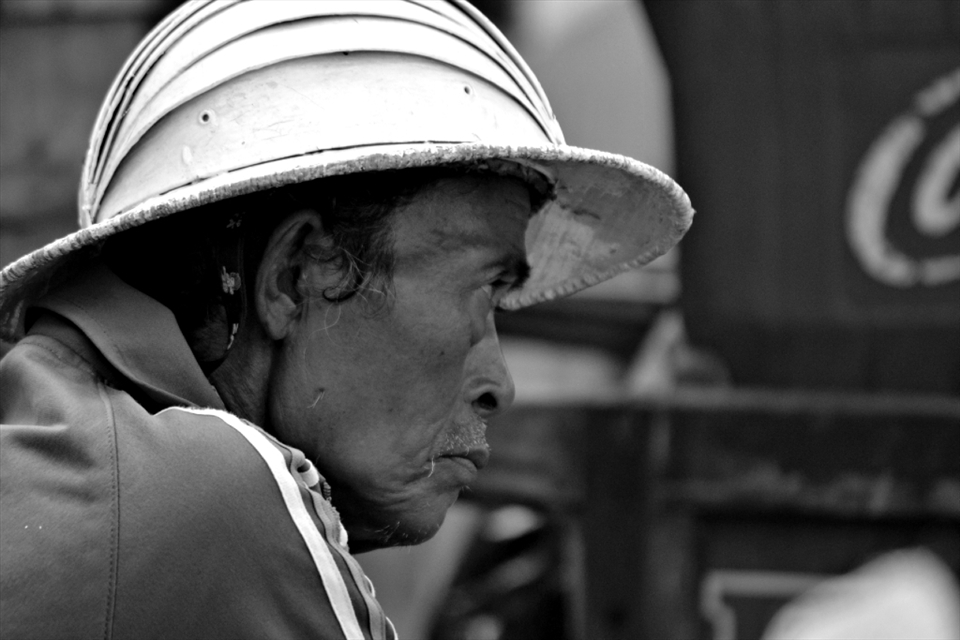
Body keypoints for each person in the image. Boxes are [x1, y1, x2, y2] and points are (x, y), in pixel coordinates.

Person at [0, 1, 692, 638]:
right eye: (482, 293)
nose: (497, 385)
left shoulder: (62, 431)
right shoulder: (216, 496)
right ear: (296, 273)